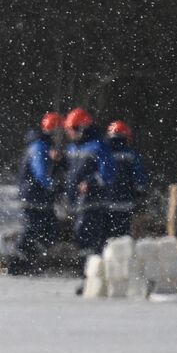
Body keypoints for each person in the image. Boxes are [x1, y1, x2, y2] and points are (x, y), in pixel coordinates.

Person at [11, 112, 62, 271]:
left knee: (45, 231)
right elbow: (41, 174)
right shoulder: (40, 147)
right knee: (34, 230)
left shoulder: (43, 145)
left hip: (38, 196)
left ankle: (26, 260)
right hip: (34, 196)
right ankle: (17, 262)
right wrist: (53, 186)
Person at [63, 107, 114, 259]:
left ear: (82, 128)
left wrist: (91, 183)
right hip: (77, 203)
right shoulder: (71, 148)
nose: (69, 133)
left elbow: (108, 173)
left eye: (72, 129)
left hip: (92, 201)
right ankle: (87, 272)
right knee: (80, 238)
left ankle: (89, 272)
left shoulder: (98, 146)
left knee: (87, 238)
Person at [103, 121, 150, 239]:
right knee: (123, 235)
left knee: (107, 236)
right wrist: (140, 193)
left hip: (105, 202)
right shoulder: (132, 155)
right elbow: (139, 177)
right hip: (126, 202)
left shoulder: (103, 153)